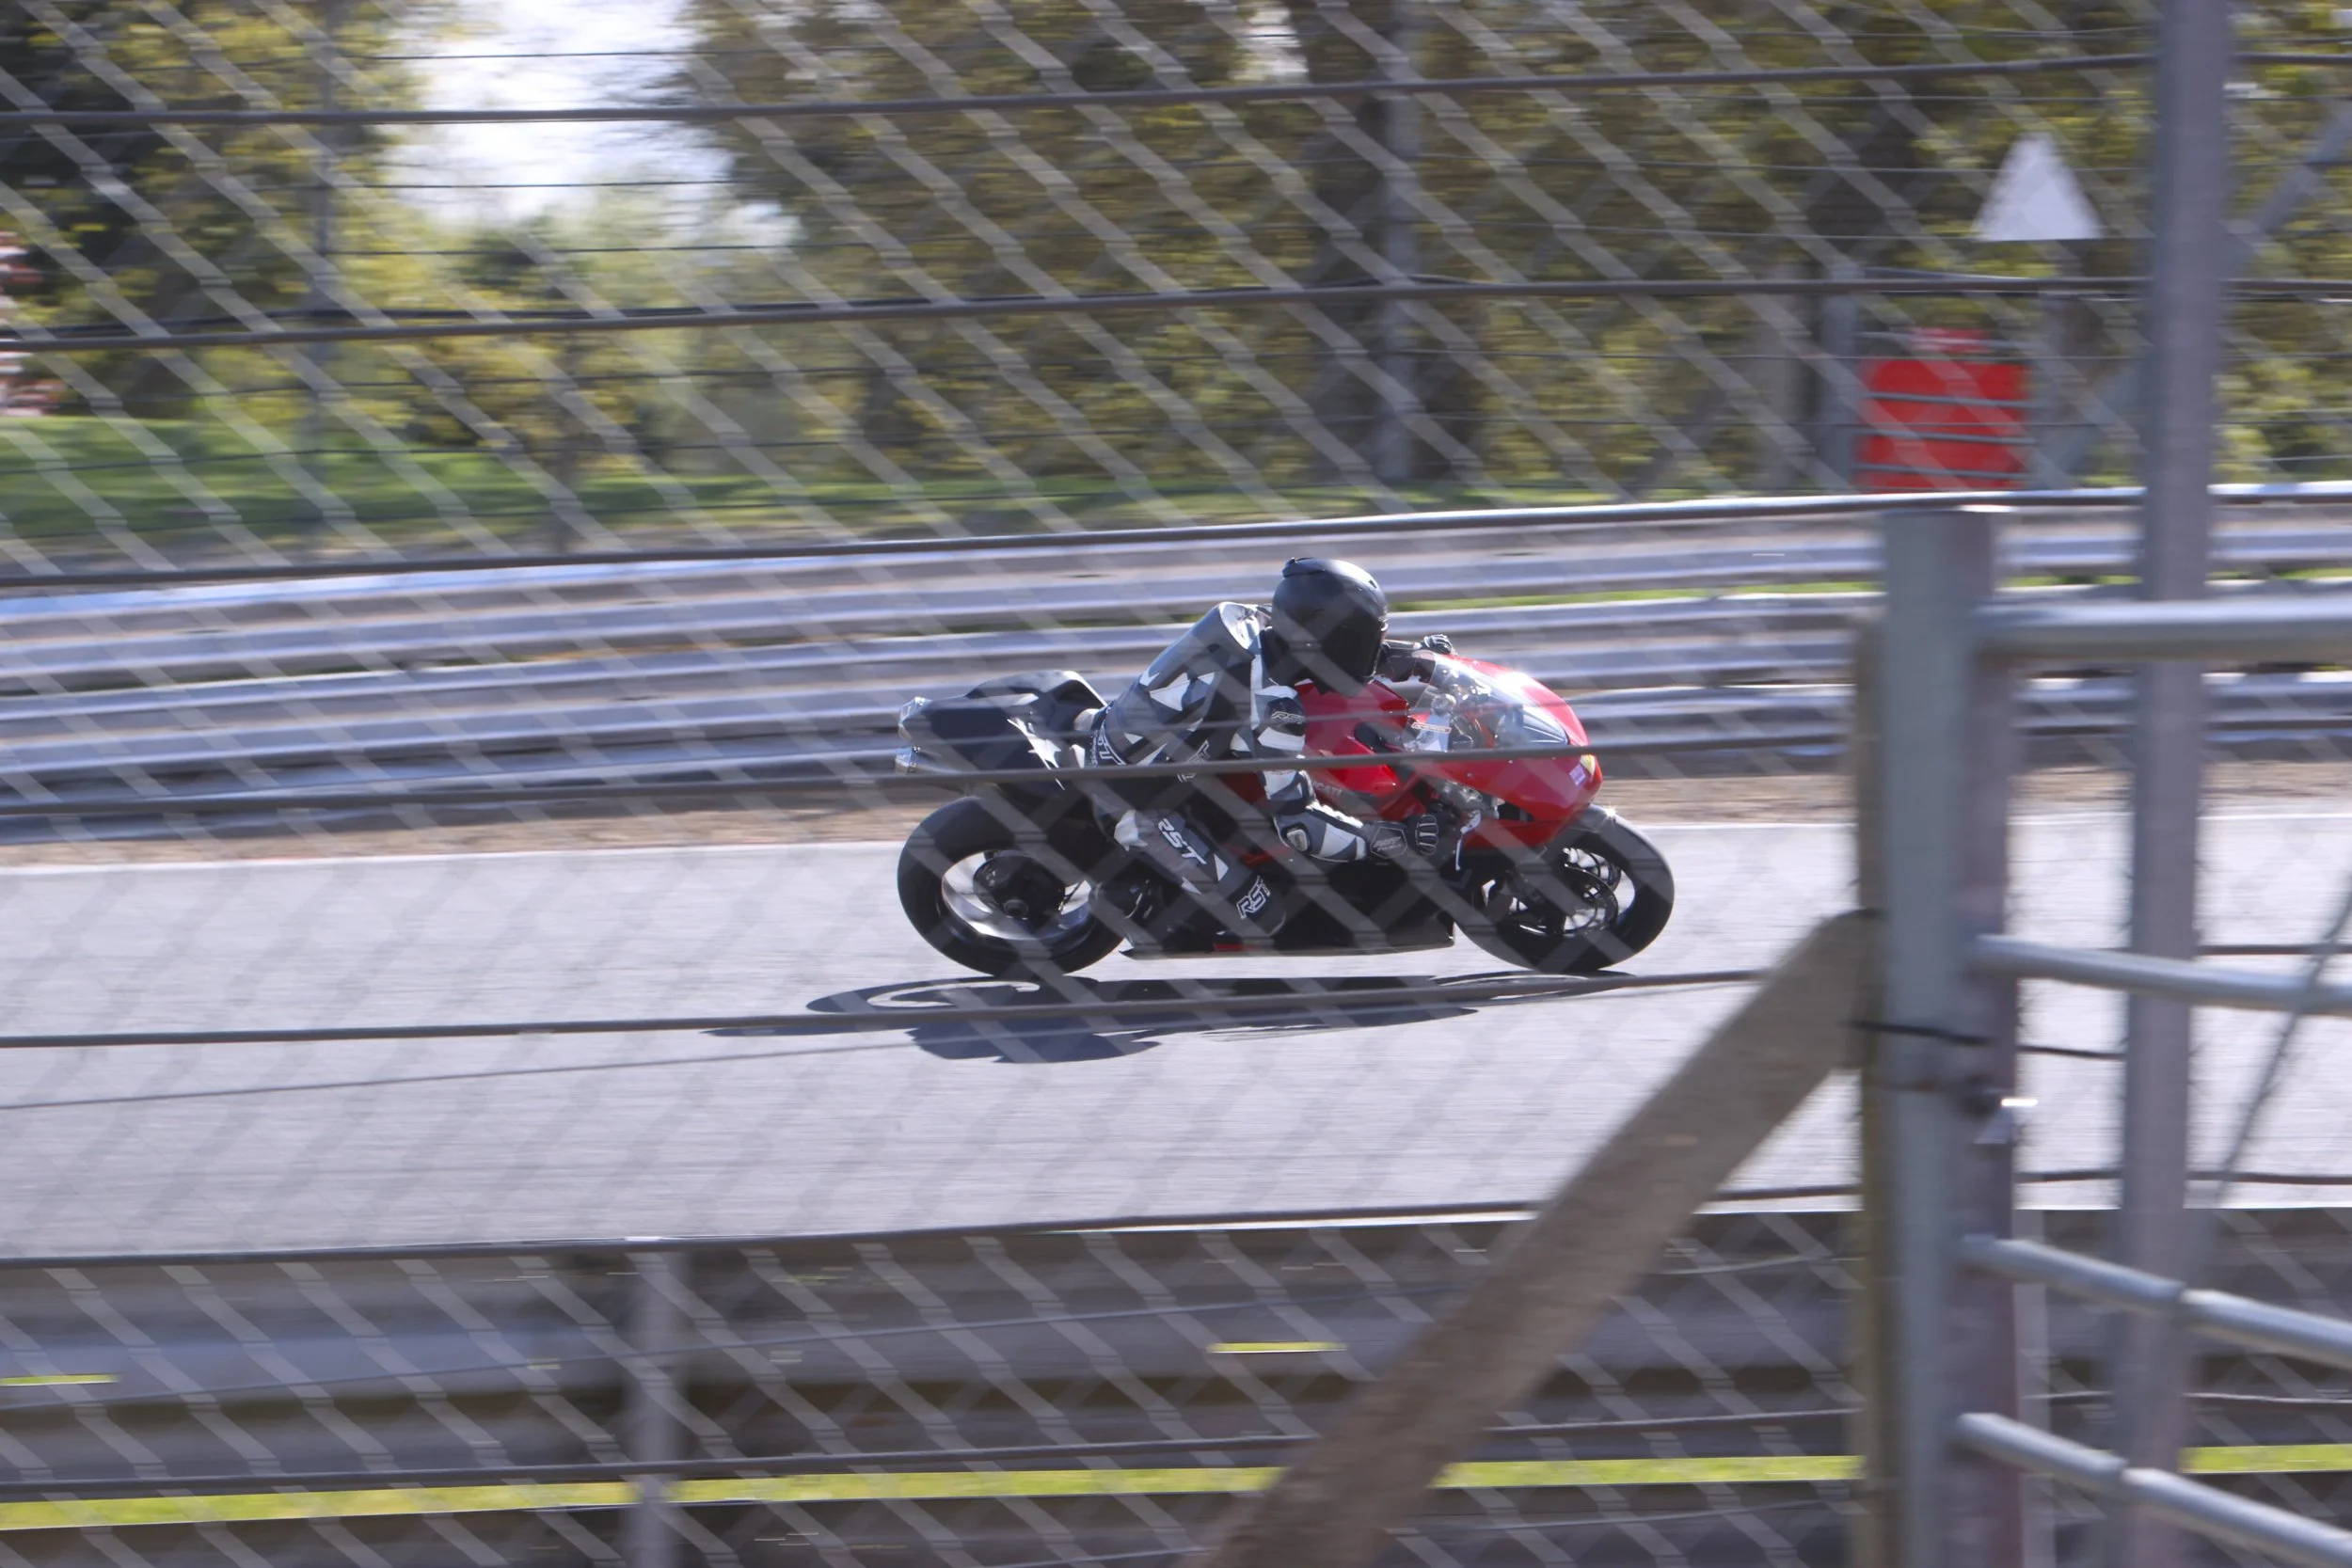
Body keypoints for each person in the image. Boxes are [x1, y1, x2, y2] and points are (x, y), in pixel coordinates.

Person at [1086, 557, 1454, 943]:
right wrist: (1398, 839)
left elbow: (1325, 655)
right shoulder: (1272, 706)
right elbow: (1299, 828)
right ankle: (1143, 901)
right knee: (1261, 913)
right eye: (1364, 639)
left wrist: (1413, 657)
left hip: (1158, 750)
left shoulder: (1258, 623)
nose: (1372, 646)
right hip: (1134, 800)